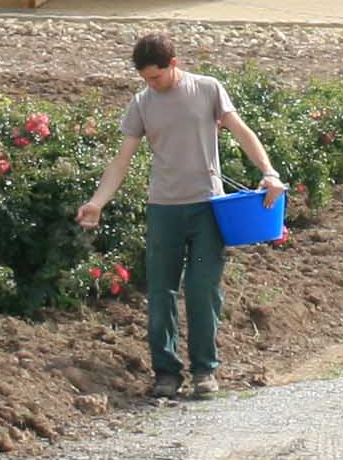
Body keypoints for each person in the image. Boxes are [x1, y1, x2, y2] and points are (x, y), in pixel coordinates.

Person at [78, 31, 282, 400]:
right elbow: (120, 162)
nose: (151, 85)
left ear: (174, 64)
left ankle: (205, 370)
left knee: (202, 289)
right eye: (144, 79)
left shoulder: (207, 89)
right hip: (163, 210)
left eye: (156, 77)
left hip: (207, 208)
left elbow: (241, 131)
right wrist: (98, 202)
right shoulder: (141, 103)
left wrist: (269, 172)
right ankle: (166, 373)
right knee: (160, 293)